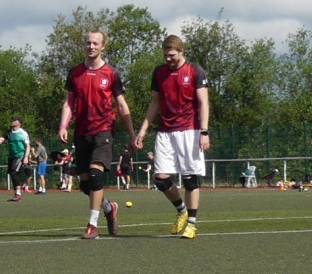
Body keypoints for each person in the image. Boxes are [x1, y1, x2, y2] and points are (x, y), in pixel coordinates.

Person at [133, 35, 211, 238]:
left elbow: (203, 102)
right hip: (165, 131)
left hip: (190, 130)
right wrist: (143, 130)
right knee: (160, 179)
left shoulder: (195, 70)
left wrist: (204, 131)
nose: (168, 59)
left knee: (190, 179)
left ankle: (192, 223)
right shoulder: (159, 72)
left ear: (181, 51)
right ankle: (182, 211)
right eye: (165, 55)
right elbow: (155, 103)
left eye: (172, 55)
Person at [57, 30, 133, 238]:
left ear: (103, 46)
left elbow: (121, 105)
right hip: (82, 131)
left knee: (95, 174)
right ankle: (109, 208)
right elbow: (69, 102)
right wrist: (63, 126)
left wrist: (132, 133)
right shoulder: (75, 73)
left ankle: (92, 225)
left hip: (104, 129)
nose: (91, 46)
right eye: (88, 43)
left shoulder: (111, 73)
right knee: (85, 184)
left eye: (95, 43)